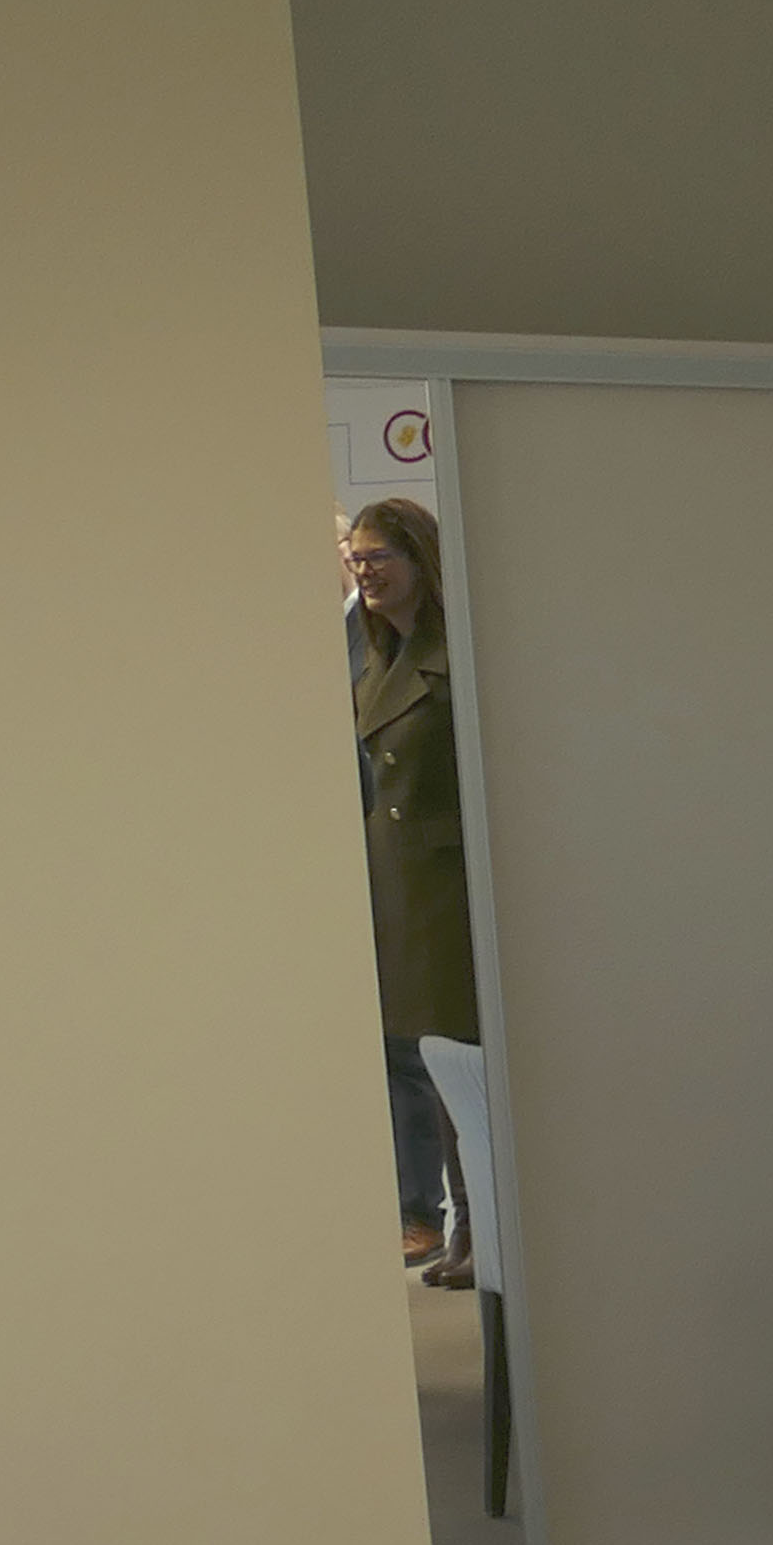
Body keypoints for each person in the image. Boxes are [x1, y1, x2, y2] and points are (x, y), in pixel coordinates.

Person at [344, 500, 474, 1274]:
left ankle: (478, 1228)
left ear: (418, 561)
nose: (364, 571)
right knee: (430, 1060)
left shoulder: (455, 656)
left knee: (458, 1063)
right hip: (400, 884)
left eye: (378, 557)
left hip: (447, 887)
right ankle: (464, 1227)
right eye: (356, 558)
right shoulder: (378, 657)